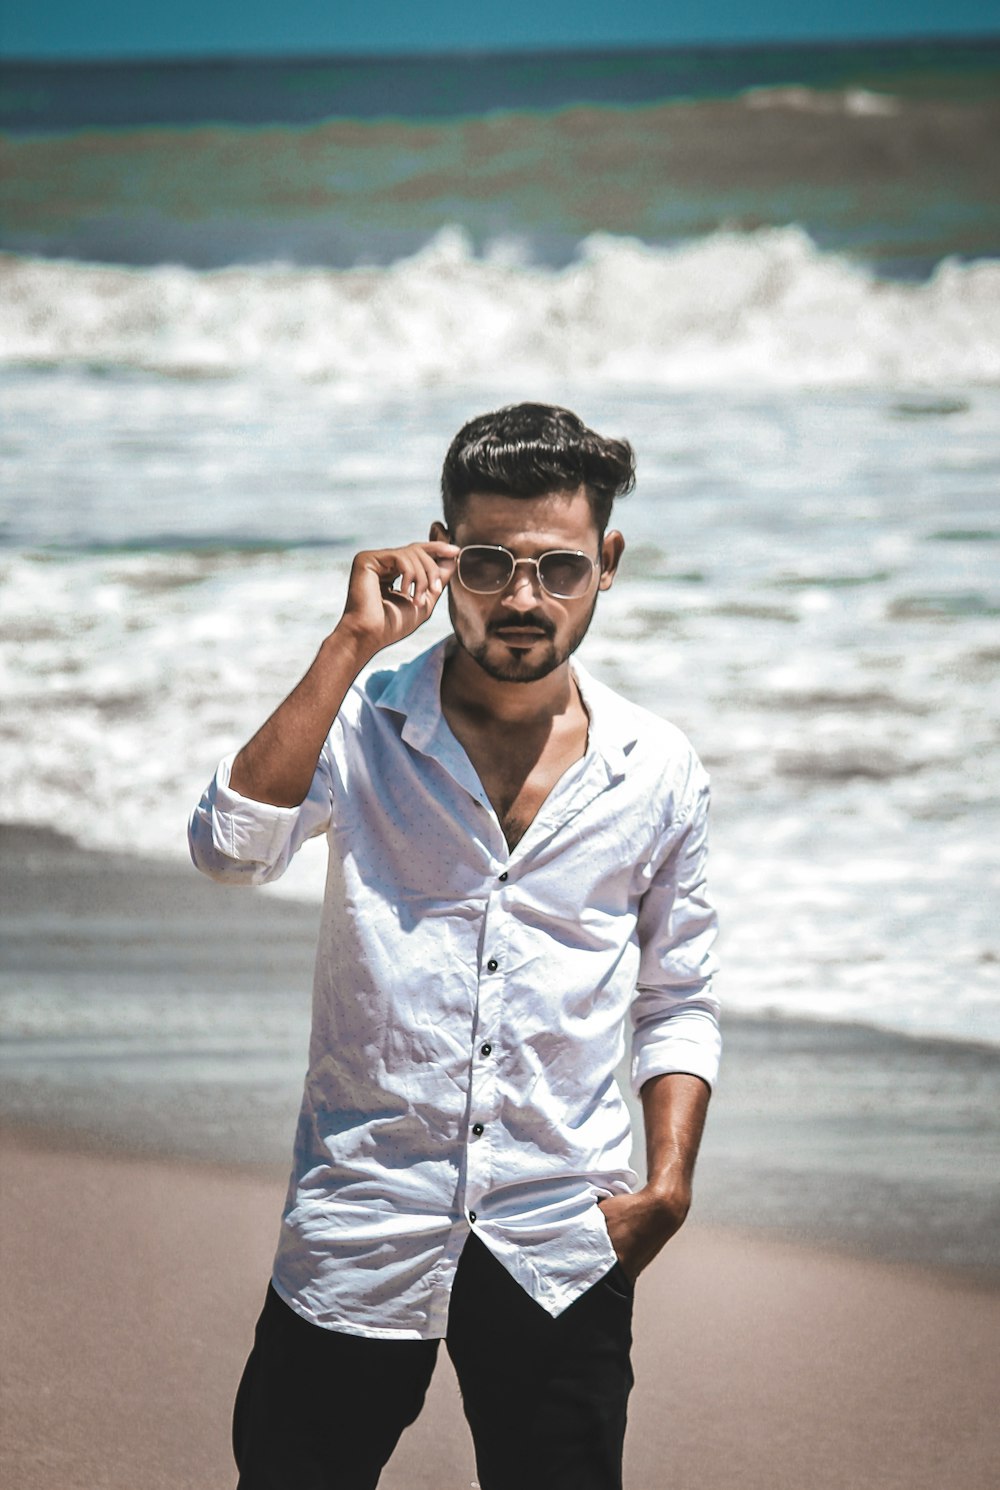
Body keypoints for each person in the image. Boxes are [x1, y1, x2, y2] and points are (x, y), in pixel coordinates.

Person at [188, 402, 720, 1490]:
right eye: (488, 563)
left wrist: (667, 1184)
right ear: (442, 554)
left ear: (606, 563)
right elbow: (230, 848)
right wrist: (348, 643)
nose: (523, 597)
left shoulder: (656, 769)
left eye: (558, 567)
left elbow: (677, 997)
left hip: (558, 1225)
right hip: (363, 1211)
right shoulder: (363, 718)